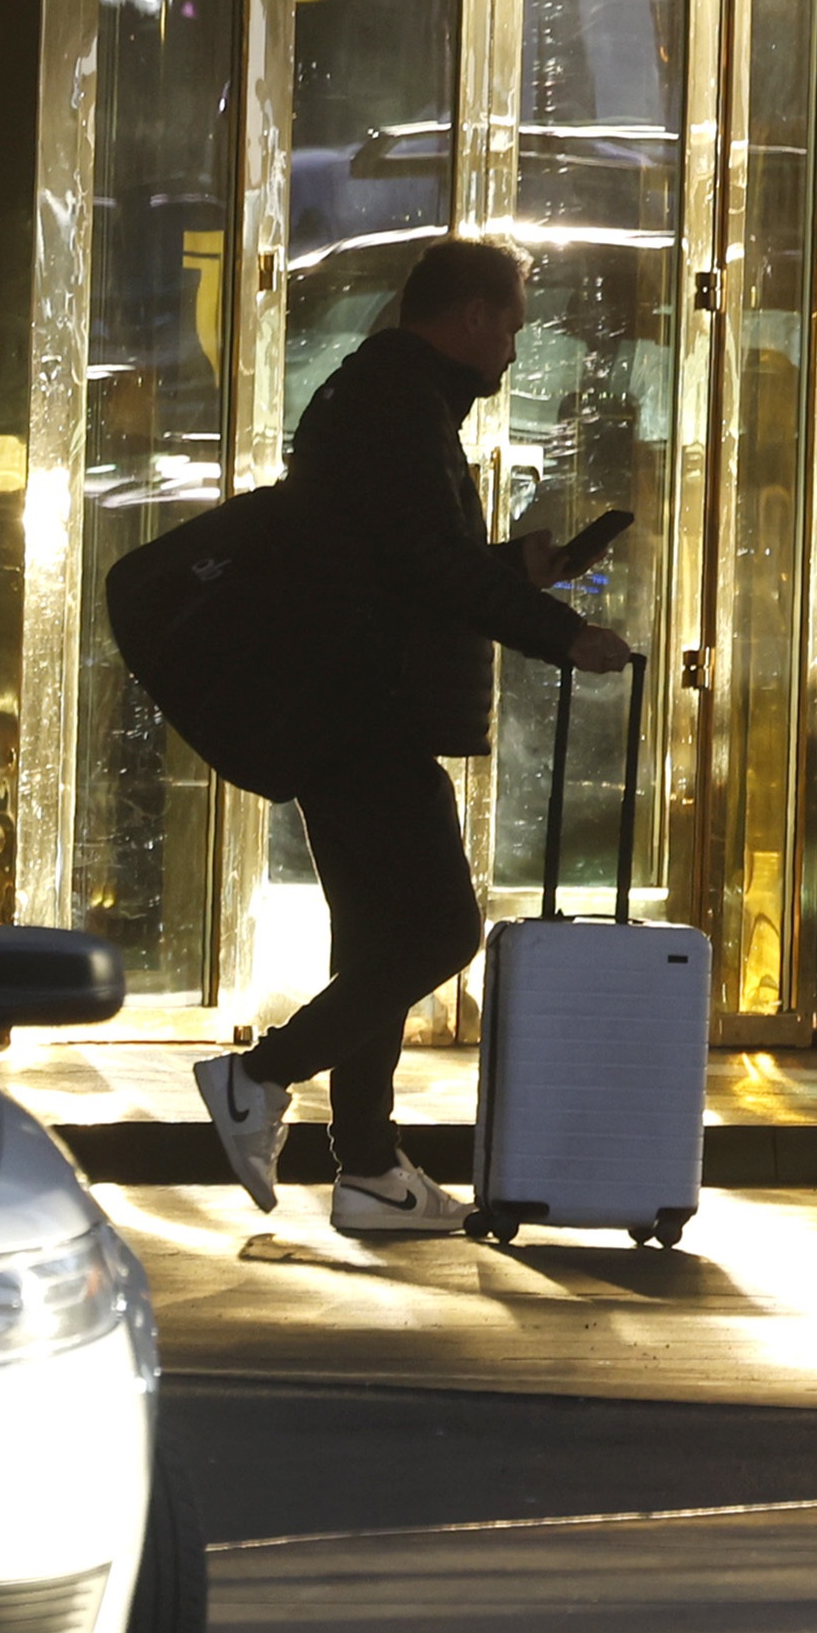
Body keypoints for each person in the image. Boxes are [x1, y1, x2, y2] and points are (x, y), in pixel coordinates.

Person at [193, 239, 631, 1239]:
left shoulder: (386, 399)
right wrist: (562, 632)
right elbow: (428, 572)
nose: (514, 347)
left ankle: (370, 1170)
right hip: (365, 713)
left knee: (379, 940)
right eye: (511, 324)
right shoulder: (396, 408)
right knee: (438, 932)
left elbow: (400, 563)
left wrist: (514, 569)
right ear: (471, 316)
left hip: (344, 706)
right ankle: (257, 1079)